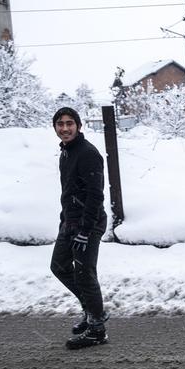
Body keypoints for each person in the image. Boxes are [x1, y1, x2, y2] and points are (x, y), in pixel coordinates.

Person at [50, 107, 109, 350]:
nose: (64, 128)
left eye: (69, 123)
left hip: (88, 223)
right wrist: (65, 218)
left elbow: (96, 195)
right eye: (60, 124)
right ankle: (90, 310)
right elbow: (71, 190)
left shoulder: (87, 153)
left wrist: (85, 230)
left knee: (85, 275)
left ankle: (97, 330)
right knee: (59, 266)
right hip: (70, 222)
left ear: (79, 126)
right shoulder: (67, 152)